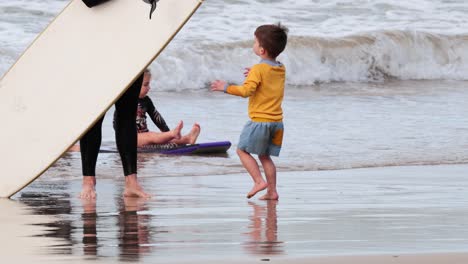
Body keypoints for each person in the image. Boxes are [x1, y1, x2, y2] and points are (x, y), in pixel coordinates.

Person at [211, 23, 288, 200]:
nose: (253, 44)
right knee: (265, 156)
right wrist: (254, 72)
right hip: (277, 123)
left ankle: (258, 181)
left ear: (261, 50)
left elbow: (246, 91)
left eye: (255, 42)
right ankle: (272, 191)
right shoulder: (280, 68)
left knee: (241, 151)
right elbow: (267, 79)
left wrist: (226, 87)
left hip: (259, 122)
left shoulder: (259, 69)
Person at [80, 73, 150, 199]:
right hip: (95, 59)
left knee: (127, 113)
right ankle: (88, 180)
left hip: (129, 56)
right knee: (93, 113)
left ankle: (131, 182)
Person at [133, 68, 200, 147]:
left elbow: (156, 117)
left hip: (145, 137)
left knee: (158, 138)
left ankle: (188, 138)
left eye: (149, 84)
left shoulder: (146, 100)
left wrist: (167, 133)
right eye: (146, 84)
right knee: (152, 136)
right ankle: (175, 135)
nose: (149, 87)